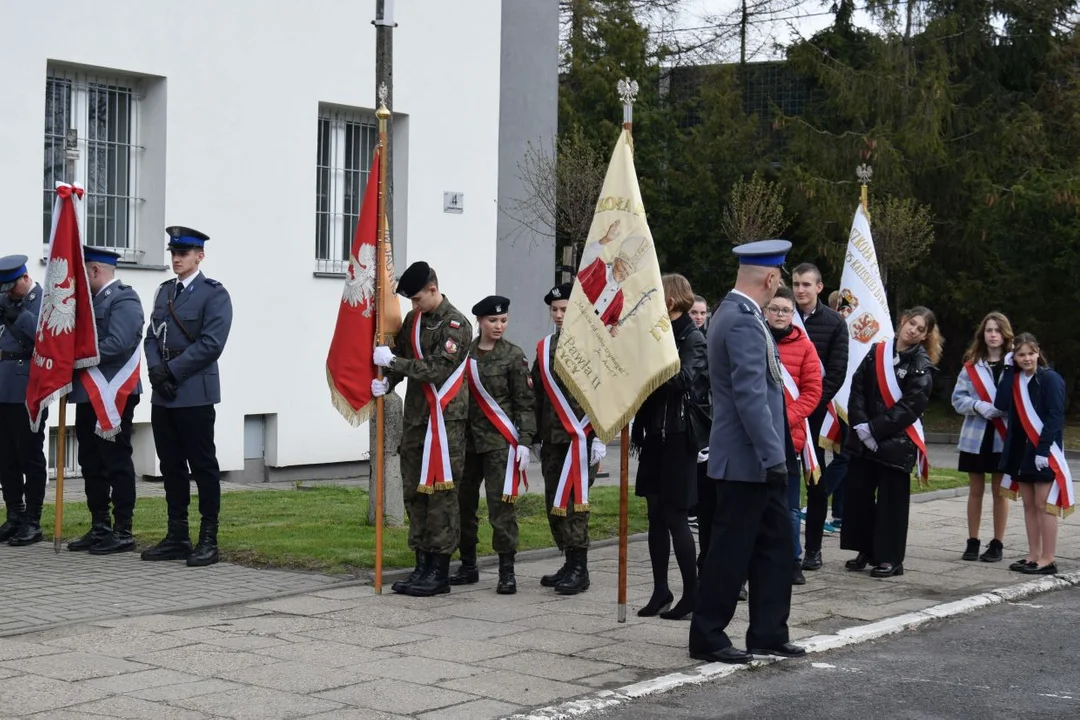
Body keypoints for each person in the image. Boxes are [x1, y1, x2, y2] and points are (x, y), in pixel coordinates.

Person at [689, 239, 805, 665]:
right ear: (772, 278)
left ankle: (769, 632)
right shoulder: (741, 320)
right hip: (748, 461)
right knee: (729, 553)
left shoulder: (738, 314)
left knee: (774, 548)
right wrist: (775, 456)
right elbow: (751, 397)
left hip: (754, 459)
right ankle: (707, 635)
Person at [372, 261, 472, 597]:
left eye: (417, 299)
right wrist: (387, 383)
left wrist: (395, 364)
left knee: (441, 497)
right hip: (417, 422)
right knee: (415, 492)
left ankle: (439, 570)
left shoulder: (456, 324)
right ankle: (421, 565)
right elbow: (402, 356)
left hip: (444, 426)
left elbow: (437, 369)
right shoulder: (414, 321)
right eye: (411, 301)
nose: (414, 306)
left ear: (433, 288)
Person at [141, 227, 233, 567]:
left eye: (184, 252)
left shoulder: (214, 294)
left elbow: (212, 344)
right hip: (164, 392)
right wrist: (155, 370)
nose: (177, 258)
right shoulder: (165, 291)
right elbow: (151, 336)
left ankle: (208, 537)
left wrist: (172, 371)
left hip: (193, 390)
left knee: (203, 465)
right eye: (173, 253)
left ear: (200, 256)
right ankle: (177, 534)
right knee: (171, 464)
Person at [842, 307, 940, 578]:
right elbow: (857, 386)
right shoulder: (877, 352)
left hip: (896, 442)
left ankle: (890, 558)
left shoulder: (922, 365)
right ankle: (865, 549)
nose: (913, 330)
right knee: (859, 496)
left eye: (920, 329)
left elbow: (911, 406)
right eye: (911, 324)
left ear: (924, 336)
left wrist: (875, 430)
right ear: (902, 321)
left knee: (891, 503)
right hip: (864, 436)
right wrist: (861, 425)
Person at [632, 274, 707, 620]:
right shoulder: (656, 335)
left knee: (676, 516)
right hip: (654, 435)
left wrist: (651, 367)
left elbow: (684, 380)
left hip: (679, 436)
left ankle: (692, 593)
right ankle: (661, 590)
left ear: (673, 300)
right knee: (654, 516)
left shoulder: (692, 337)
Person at [451, 295, 535, 594]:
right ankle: (468, 564)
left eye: (503, 320)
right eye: (492, 321)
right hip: (467, 442)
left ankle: (506, 570)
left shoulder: (513, 355)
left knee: (502, 507)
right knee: (464, 505)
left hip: (500, 443)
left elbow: (525, 403)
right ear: (480, 322)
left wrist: (525, 441)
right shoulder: (465, 353)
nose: (499, 326)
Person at [67, 247, 144, 554]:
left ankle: (123, 529)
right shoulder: (89, 303)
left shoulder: (124, 298)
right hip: (88, 393)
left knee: (116, 461)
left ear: (96, 271)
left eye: (83, 272)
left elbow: (120, 342)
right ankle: (100, 526)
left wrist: (74, 357)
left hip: (116, 393)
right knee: (91, 461)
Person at [532, 283, 606, 595]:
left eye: (565, 309)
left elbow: (606, 393)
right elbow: (536, 393)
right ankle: (568, 559)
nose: (559, 315)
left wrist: (603, 435)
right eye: (555, 310)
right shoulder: (545, 346)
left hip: (583, 437)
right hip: (553, 437)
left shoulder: (594, 345)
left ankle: (580, 568)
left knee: (576, 504)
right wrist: (534, 436)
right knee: (554, 502)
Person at [791, 263, 848, 571]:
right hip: (783, 413)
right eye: (796, 284)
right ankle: (785, 548)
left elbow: (837, 372)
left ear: (819, 287)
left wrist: (809, 404)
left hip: (813, 414)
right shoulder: (781, 315)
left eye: (806, 285)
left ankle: (813, 549)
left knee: (815, 481)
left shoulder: (835, 323)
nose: (800, 290)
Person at [996, 334, 1067, 575]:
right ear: (1014, 357)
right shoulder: (1015, 379)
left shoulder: (1050, 379)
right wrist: (1007, 370)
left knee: (1043, 504)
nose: (1026, 358)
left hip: (1042, 450)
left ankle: (1048, 558)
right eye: (1020, 355)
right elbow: (1001, 402)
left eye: (1030, 353)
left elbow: (1055, 416)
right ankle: (1033, 554)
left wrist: (1044, 449)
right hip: (1020, 451)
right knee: (1028, 505)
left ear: (1038, 353)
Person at [766, 286, 822, 586]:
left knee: (788, 506)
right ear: (766, 310)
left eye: (785, 310)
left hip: (789, 437)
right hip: (755, 435)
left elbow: (813, 391)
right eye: (774, 309)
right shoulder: (755, 339)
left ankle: (792, 560)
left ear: (793, 315)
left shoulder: (805, 346)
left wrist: (783, 419)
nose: (779, 315)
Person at [951, 312, 1013, 562]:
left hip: (1003, 435)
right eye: (989, 330)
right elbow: (958, 398)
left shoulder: (1014, 363)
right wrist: (977, 405)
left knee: (1000, 491)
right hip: (976, 435)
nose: (993, 334)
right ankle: (972, 541)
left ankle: (997, 543)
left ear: (1005, 333)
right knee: (975, 490)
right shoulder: (972, 363)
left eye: (998, 330)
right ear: (982, 334)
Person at [0, 255, 48, 546]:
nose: (6, 292)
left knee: (29, 455)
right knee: (5, 456)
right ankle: (14, 514)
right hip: (4, 385)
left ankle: (32, 519)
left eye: (10, 286)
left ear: (24, 278)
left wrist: (19, 318)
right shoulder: (7, 300)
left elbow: (47, 339)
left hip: (28, 386)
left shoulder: (43, 301)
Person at [688, 294, 709, 535]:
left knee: (701, 461)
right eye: (695, 313)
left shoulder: (706, 339)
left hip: (704, 409)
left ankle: (696, 508)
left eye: (703, 313)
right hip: (690, 406)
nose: (699, 317)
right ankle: (691, 509)